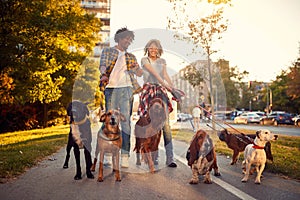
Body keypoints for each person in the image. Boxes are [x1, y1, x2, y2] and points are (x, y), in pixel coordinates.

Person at [98, 27, 143, 168]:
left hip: (127, 89)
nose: (128, 41)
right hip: (111, 88)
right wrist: (104, 74)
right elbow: (102, 65)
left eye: (130, 39)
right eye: (126, 38)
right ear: (119, 38)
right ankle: (107, 154)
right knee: (109, 121)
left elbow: (139, 73)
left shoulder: (131, 57)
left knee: (126, 123)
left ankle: (124, 155)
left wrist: (141, 69)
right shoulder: (108, 51)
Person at [138, 39, 177, 168]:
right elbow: (154, 73)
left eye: (156, 48)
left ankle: (170, 158)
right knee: (149, 125)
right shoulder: (144, 60)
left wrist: (173, 89)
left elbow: (165, 75)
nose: (153, 50)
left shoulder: (162, 61)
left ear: (159, 49)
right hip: (148, 92)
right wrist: (165, 84)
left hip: (160, 92)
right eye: (151, 47)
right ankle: (153, 156)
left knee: (165, 126)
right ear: (147, 48)